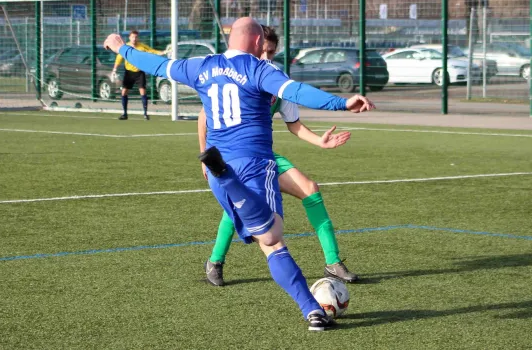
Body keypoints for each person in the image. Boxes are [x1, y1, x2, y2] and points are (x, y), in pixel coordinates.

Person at [103, 17, 375, 331]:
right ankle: (310, 302)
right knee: (272, 236)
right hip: (254, 166)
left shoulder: (201, 65)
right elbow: (298, 91)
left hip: (218, 168)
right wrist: (342, 102)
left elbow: (155, 64)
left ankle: (312, 311)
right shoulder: (261, 69)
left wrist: (121, 47)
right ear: (259, 44)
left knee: (270, 243)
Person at [200, 26, 358, 287]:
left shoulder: (277, 78)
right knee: (240, 204)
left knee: (310, 189)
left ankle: (333, 262)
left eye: (271, 52)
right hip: (231, 154)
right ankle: (215, 261)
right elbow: (203, 118)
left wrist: (320, 140)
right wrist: (208, 158)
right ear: (252, 46)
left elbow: (293, 123)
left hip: (263, 155)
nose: (266, 57)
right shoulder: (235, 72)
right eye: (262, 51)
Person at [112, 30, 163, 120]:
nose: (134, 39)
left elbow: (151, 51)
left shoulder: (141, 46)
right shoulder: (125, 47)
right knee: (124, 92)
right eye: (133, 37)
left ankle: (145, 114)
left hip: (139, 72)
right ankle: (124, 114)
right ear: (129, 38)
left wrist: (161, 53)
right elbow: (119, 58)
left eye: (136, 37)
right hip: (129, 73)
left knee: (143, 92)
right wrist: (114, 69)